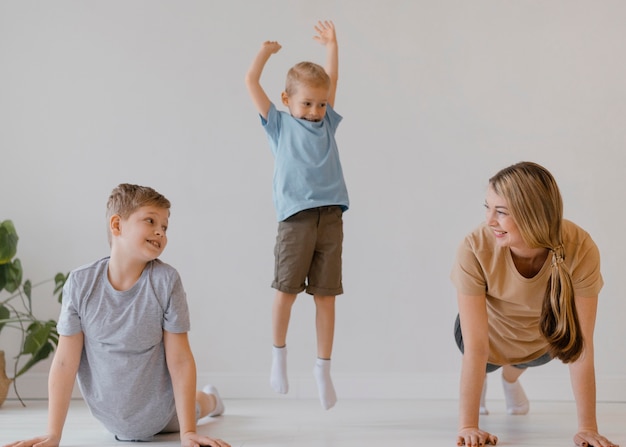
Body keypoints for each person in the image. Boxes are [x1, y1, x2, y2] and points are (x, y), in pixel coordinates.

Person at [3, 184, 230, 447]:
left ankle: (212, 399)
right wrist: (53, 434)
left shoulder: (166, 281)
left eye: (165, 227)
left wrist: (188, 432)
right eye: (150, 220)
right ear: (117, 225)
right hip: (111, 419)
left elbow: (180, 360)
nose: (160, 231)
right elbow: (65, 362)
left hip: (164, 412)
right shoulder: (81, 283)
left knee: (198, 404)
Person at [451, 162, 619, 447]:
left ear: (533, 215)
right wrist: (469, 426)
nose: (489, 220)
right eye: (487, 208)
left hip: (540, 342)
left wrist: (588, 427)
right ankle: (484, 384)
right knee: (485, 363)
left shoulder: (580, 247)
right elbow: (477, 348)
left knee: (522, 360)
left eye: (501, 212)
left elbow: (580, 345)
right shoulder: (474, 246)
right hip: (487, 338)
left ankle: (511, 380)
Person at [244, 20, 349, 410]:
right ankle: (279, 356)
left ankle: (323, 368)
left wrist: (332, 46)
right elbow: (251, 83)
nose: (315, 110)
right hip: (296, 219)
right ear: (287, 100)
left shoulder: (327, 125)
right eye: (306, 103)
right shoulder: (280, 125)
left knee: (326, 297)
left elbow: (332, 78)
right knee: (285, 291)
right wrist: (265, 55)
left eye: (320, 104)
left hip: (331, 218)